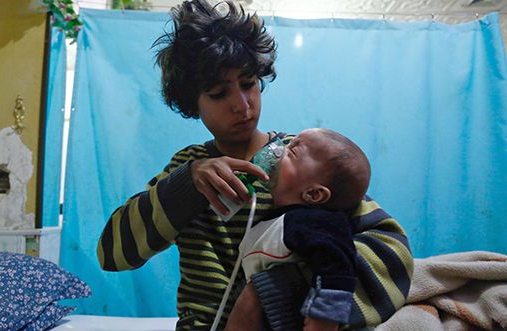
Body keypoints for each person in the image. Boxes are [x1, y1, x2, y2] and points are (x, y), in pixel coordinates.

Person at [96, 1, 414, 330]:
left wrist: (278, 288)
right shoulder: (187, 170)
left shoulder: (303, 163)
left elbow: (395, 257)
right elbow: (112, 255)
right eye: (219, 94)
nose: (242, 105)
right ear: (193, 102)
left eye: (248, 84)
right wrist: (187, 184)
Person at [231, 128, 370, 331]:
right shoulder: (270, 223)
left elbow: (337, 260)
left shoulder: (312, 221)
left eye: (292, 151)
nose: (277, 149)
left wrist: (324, 318)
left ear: (313, 194)